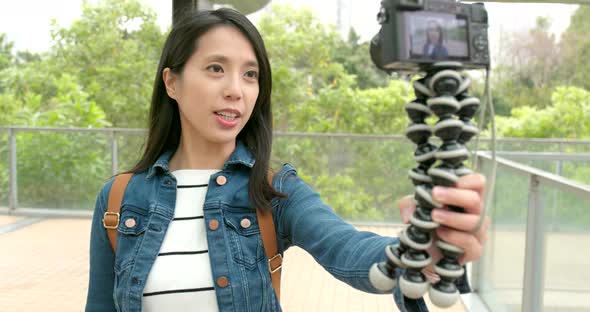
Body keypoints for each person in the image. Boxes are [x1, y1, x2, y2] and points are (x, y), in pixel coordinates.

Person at [85, 8, 488, 312]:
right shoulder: (120, 199)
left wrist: (425, 248)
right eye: (215, 69)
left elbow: (347, 249)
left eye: (250, 74)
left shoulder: (274, 191)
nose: (235, 91)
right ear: (172, 82)